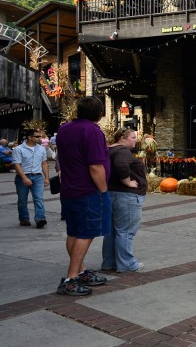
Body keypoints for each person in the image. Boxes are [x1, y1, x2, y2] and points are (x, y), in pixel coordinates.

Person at [56, 96, 111, 296]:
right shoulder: (92, 131)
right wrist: (103, 190)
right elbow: (95, 165)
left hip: (69, 189)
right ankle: (71, 278)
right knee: (86, 233)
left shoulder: (64, 129)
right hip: (88, 191)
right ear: (99, 112)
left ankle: (80, 271)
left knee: (74, 232)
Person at [102, 128, 146, 273]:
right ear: (122, 138)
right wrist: (127, 182)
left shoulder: (109, 150)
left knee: (112, 231)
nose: (135, 140)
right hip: (127, 196)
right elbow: (121, 165)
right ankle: (126, 263)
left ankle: (109, 262)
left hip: (112, 193)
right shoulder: (122, 151)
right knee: (126, 231)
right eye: (133, 137)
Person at [12, 129, 50, 228]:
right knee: (22, 200)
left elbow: (44, 163)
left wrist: (46, 178)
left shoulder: (41, 149)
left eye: (40, 136)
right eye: (37, 136)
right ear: (29, 137)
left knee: (39, 198)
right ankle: (24, 219)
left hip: (37, 176)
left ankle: (40, 219)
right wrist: (24, 178)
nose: (39, 138)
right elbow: (17, 164)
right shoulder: (18, 149)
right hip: (22, 177)